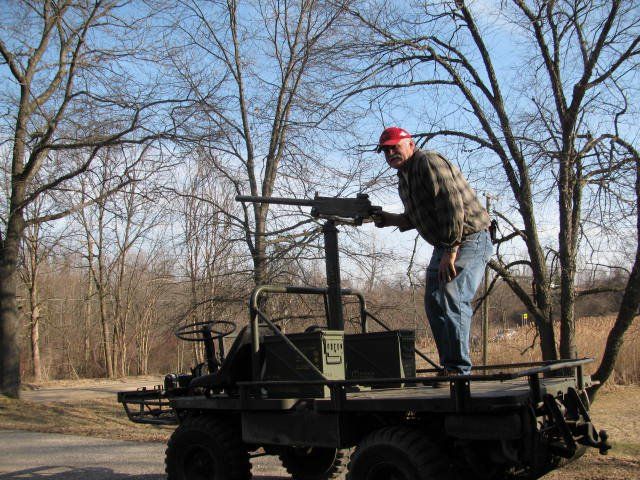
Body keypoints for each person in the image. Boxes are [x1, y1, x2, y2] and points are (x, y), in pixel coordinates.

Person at [372, 126, 493, 376]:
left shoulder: (428, 162)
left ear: (411, 145)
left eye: (395, 146)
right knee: (434, 302)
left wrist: (450, 252)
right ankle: (450, 367)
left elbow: (451, 205)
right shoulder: (404, 178)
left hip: (468, 238)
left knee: (451, 295)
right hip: (446, 242)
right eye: (386, 150)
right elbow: (419, 217)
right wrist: (389, 219)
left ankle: (459, 371)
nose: (391, 152)